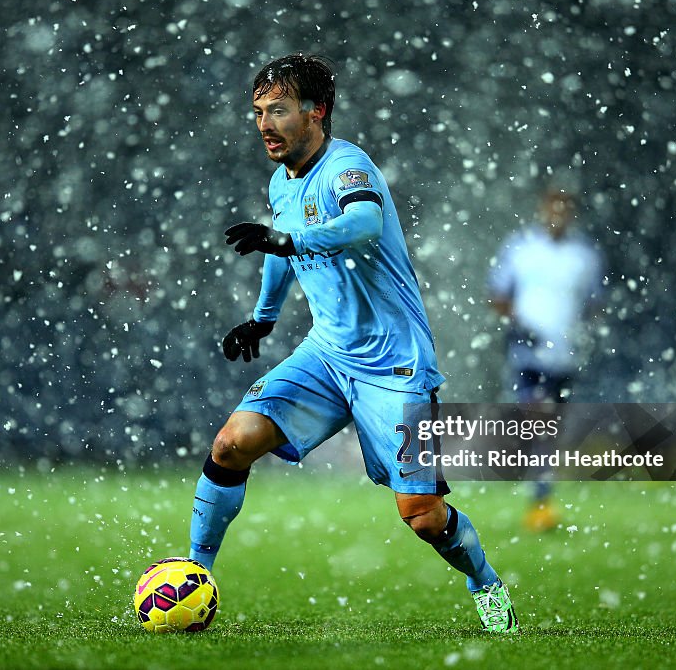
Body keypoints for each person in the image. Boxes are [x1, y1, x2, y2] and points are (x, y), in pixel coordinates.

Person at [186, 53, 519, 633]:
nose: (265, 124)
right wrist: (263, 318)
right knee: (232, 443)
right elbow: (282, 250)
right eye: (259, 112)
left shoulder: (347, 167)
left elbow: (360, 225)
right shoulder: (282, 179)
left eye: (279, 111)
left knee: (421, 515)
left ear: (317, 112)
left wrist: (287, 239)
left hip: (395, 368)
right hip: (326, 354)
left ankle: (484, 581)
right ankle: (194, 575)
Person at [488, 187, 604, 531]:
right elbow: (497, 294)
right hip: (528, 352)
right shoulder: (521, 248)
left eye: (565, 209)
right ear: (542, 210)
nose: (558, 215)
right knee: (538, 416)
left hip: (565, 356)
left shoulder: (584, 256)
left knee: (550, 427)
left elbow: (596, 301)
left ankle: (540, 496)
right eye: (553, 207)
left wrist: (581, 330)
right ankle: (539, 496)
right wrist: (520, 325)